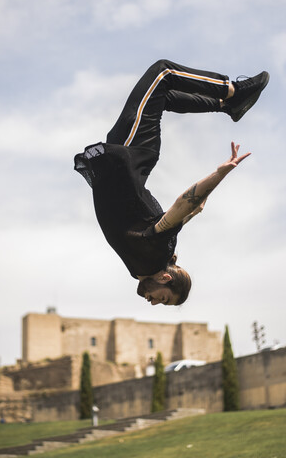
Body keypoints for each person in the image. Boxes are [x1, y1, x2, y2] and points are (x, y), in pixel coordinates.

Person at [74, 59, 269, 307]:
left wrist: (200, 201)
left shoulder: (140, 267)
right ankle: (233, 91)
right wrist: (220, 174)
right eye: (163, 299)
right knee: (163, 72)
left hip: (122, 156)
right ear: (166, 278)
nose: (153, 302)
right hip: (131, 151)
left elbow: (190, 211)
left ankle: (225, 106)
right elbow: (185, 206)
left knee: (162, 95)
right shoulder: (154, 256)